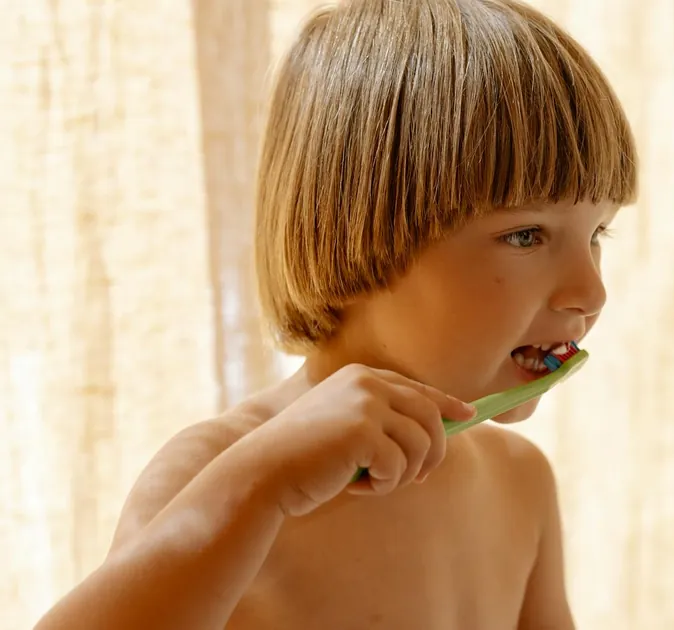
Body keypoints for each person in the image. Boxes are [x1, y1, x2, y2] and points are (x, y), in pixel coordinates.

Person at [34, 0, 636, 627]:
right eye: (525, 235)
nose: (590, 293)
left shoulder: (520, 484)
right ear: (358, 232)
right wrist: (260, 489)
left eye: (597, 234)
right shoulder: (222, 472)